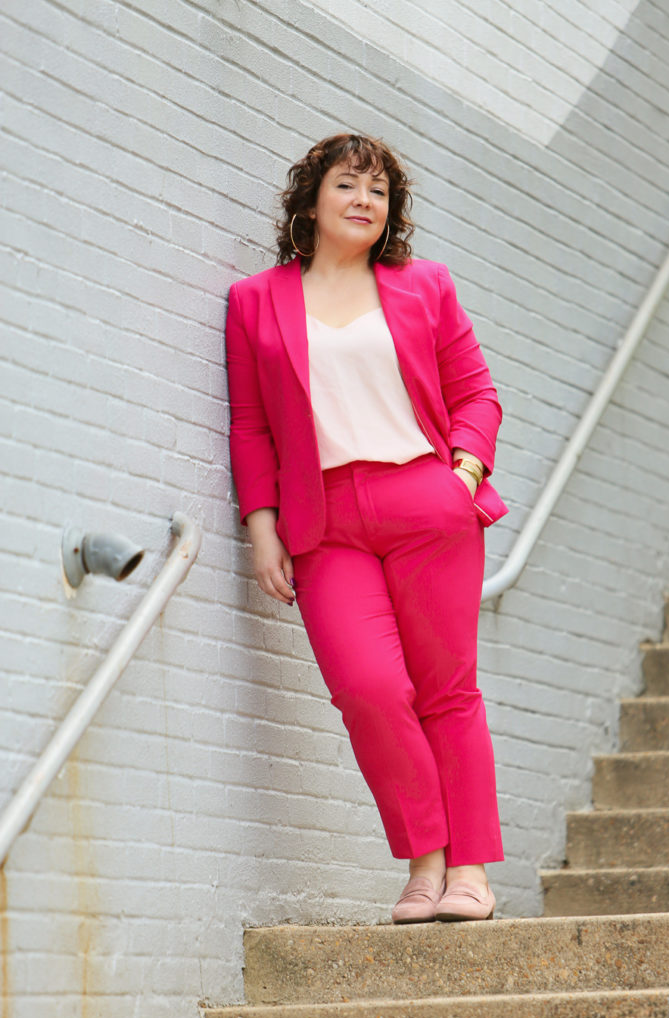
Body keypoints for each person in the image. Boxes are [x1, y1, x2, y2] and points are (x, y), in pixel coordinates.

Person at [226, 133, 508, 923]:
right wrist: (262, 527)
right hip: (326, 521)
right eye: (347, 184)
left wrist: (462, 477)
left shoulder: (426, 286)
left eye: (379, 192)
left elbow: (478, 395)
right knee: (369, 689)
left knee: (447, 692)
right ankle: (425, 859)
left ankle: (468, 874)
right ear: (310, 199)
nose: (364, 201)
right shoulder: (255, 301)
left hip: (427, 501)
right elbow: (250, 426)